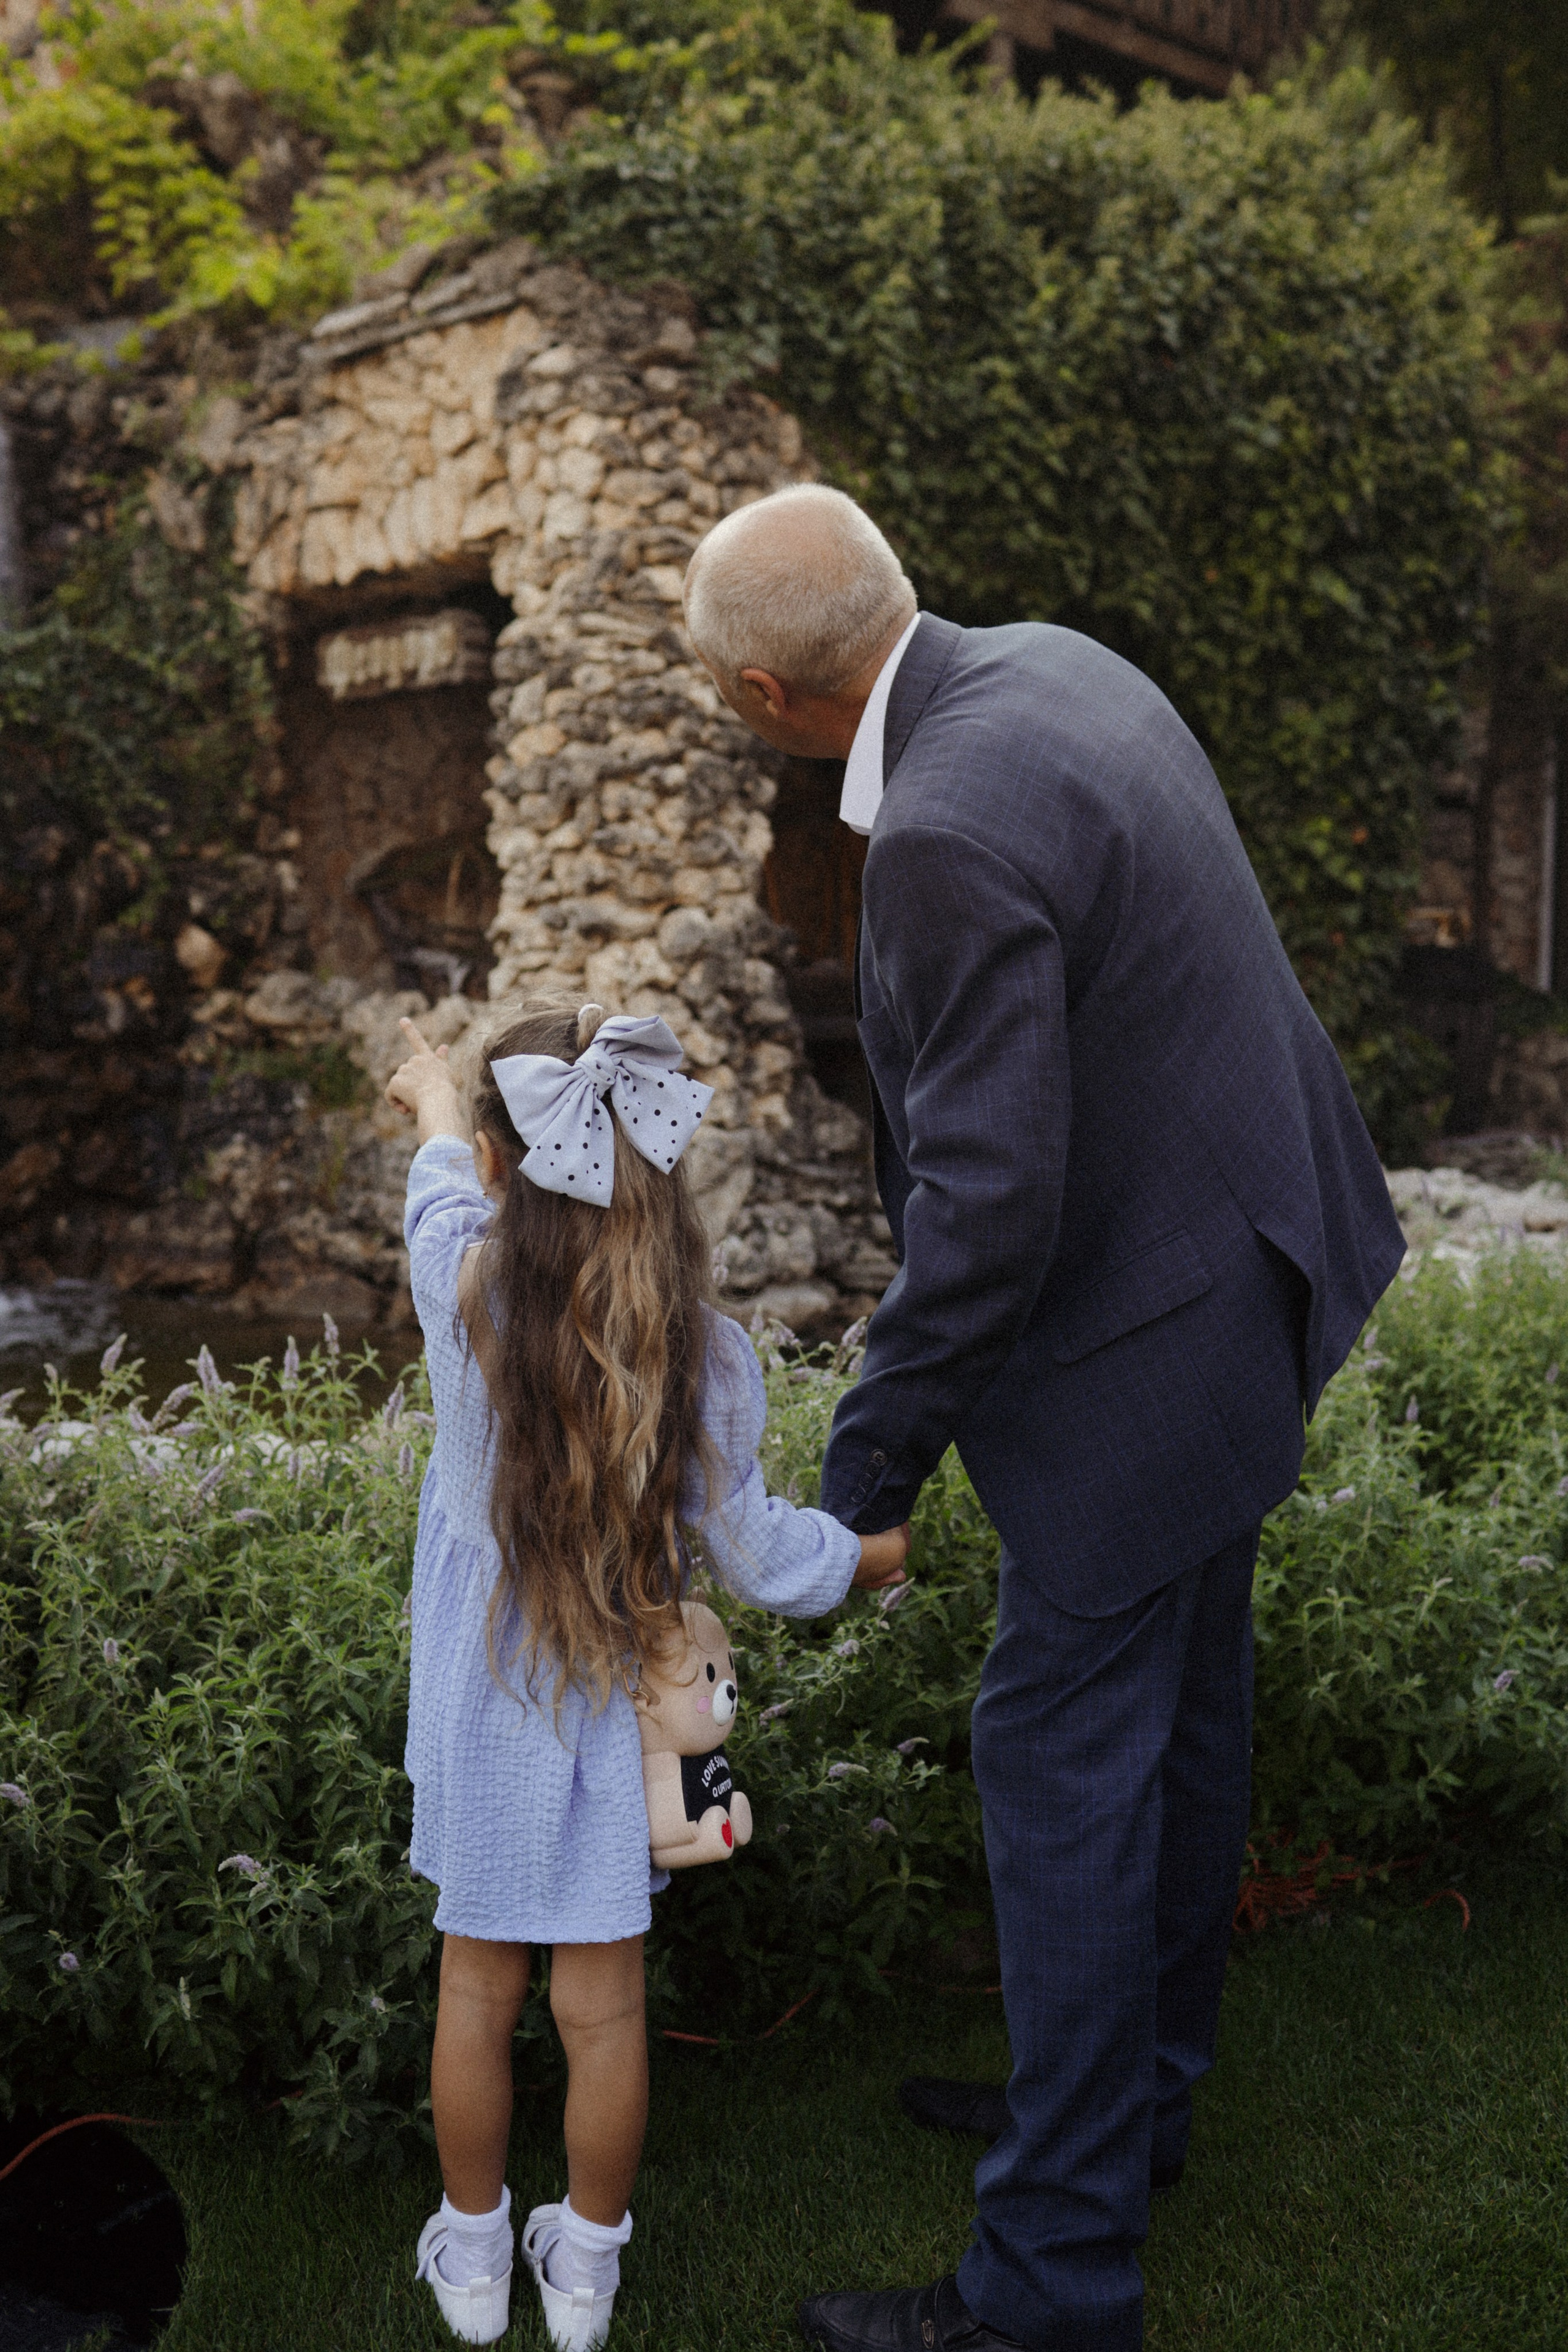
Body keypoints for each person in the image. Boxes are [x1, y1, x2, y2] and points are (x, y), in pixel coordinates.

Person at [682, 485, 1406, 2352]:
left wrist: (866, 1474)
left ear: (767, 696)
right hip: (1256, 1264)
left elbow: (991, 1203)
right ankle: (1126, 2110)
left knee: (1063, 1774)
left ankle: (1050, 2285)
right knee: (1188, 1724)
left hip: (1154, 1355)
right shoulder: (1058, 667)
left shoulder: (937, 830)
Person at [385, 999, 910, 2351]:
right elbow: (760, 1550)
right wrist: (868, 1557)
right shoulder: (705, 1356)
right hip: (607, 1721)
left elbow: (437, 1189)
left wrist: (434, 1097)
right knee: (603, 2009)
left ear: (501, 1166)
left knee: (475, 1993)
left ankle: (472, 2260)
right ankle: (585, 2274)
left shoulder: (464, 1292)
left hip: (480, 1704)